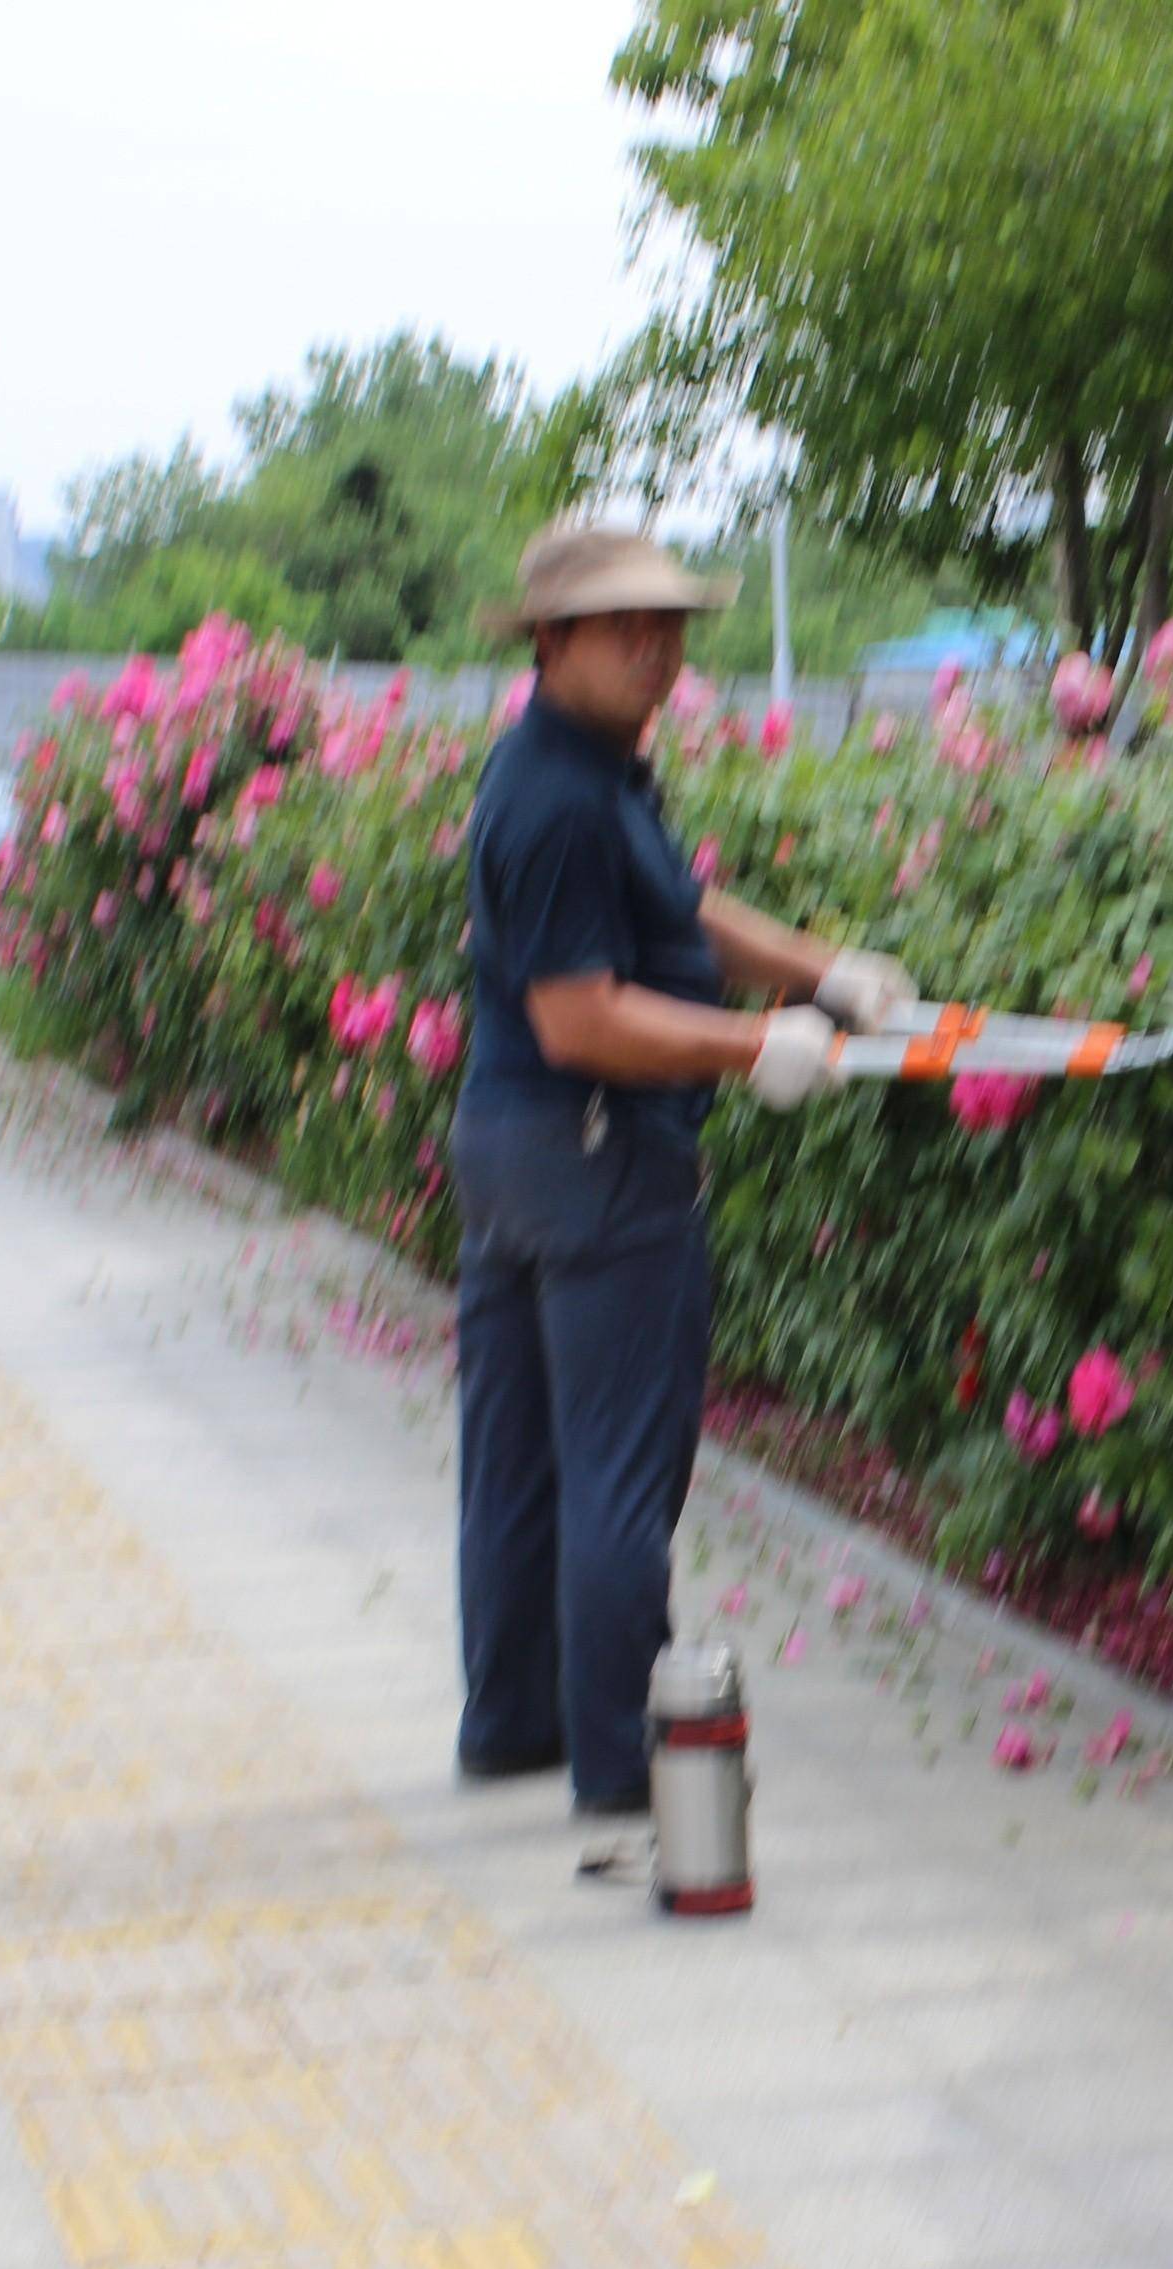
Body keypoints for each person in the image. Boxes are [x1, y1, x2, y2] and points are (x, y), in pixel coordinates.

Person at [452, 524, 917, 1821]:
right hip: (592, 1148)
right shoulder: (553, 798)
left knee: (518, 1463)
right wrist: (748, 1045)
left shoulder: (592, 773)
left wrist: (816, 972)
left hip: (513, 1148)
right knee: (612, 1475)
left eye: (670, 627)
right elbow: (578, 1014)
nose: (659, 652)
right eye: (624, 629)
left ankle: (510, 1726)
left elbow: (676, 907)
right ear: (549, 644)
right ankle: (618, 1768)